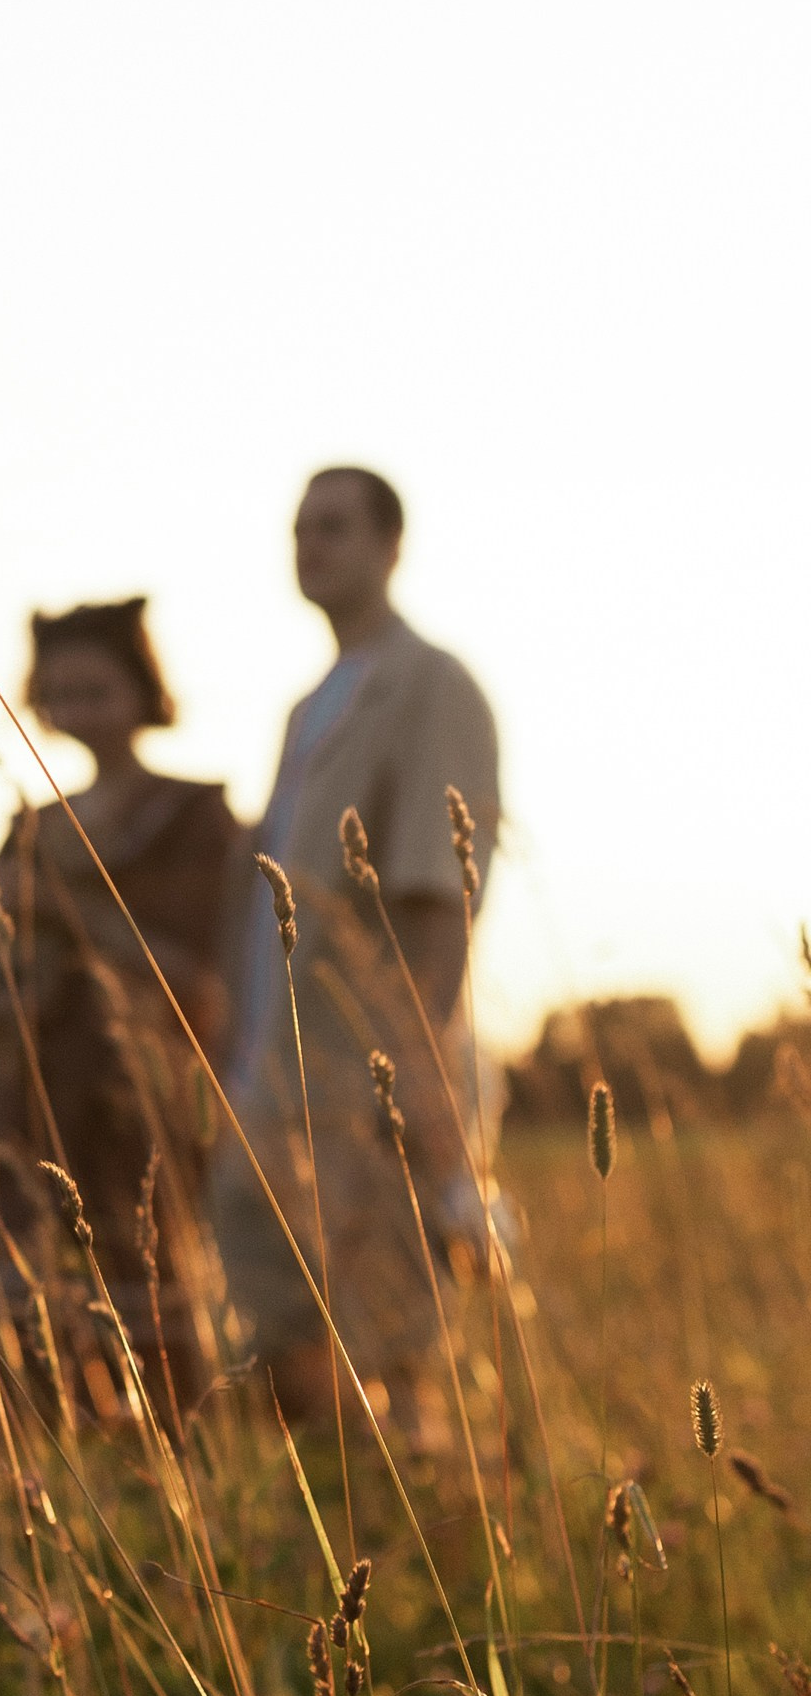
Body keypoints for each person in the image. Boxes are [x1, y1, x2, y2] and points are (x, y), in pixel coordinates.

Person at [209, 464, 500, 1417]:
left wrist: (409, 1080)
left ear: (391, 545)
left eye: (333, 527)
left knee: (390, 1339)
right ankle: (338, 1531)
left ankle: (420, 1532)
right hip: (276, 1075)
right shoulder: (309, 704)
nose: (310, 546)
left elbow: (434, 898)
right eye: (300, 529)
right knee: (285, 1336)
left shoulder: (429, 685)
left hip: (365, 1076)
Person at [0, 598, 238, 1408]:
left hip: (156, 1101)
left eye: (95, 689)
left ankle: (173, 1485)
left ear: (143, 694)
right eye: (60, 691)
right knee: (20, 1315)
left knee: (154, 1295)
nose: (76, 709)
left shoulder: (197, 818)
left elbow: (213, 979)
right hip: (39, 1100)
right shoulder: (35, 824)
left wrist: (73, 917)